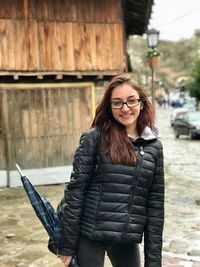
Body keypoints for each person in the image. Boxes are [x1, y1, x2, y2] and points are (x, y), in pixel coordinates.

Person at [58, 74, 165, 267]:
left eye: (131, 101)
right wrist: (66, 246)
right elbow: (76, 192)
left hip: (126, 238)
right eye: (117, 103)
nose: (125, 108)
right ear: (110, 107)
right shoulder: (94, 138)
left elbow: (155, 207)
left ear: (141, 103)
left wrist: (154, 262)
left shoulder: (154, 147)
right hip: (89, 235)